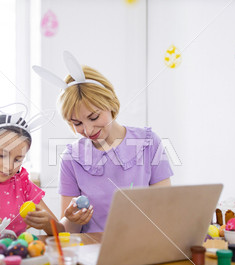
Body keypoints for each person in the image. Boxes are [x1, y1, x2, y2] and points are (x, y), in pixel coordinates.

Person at [34, 52, 173, 233]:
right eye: (77, 123)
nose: (89, 130)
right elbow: (68, 233)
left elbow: (165, 208)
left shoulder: (148, 142)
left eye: (94, 116)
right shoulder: (71, 158)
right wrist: (73, 219)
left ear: (109, 102)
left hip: (142, 246)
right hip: (91, 253)